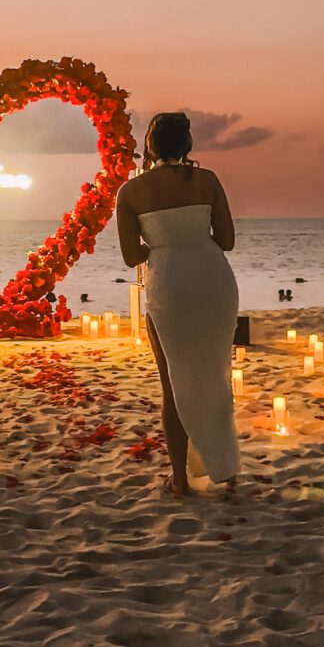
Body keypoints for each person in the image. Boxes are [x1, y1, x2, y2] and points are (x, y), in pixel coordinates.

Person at [118, 112, 240, 495]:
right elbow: (227, 239)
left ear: (149, 147)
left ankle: (182, 480)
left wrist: (162, 243)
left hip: (169, 282)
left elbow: (130, 256)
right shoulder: (207, 180)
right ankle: (227, 472)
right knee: (216, 377)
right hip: (213, 279)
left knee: (173, 383)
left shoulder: (131, 191)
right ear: (187, 145)